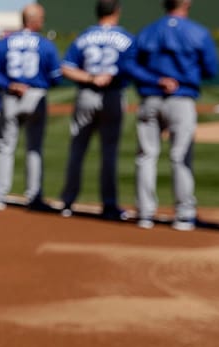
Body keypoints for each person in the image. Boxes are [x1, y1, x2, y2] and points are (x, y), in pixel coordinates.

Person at [132, 0, 218, 230]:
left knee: (146, 156)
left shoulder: (148, 30)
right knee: (180, 156)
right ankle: (183, 215)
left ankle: (145, 214)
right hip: (181, 99)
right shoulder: (197, 32)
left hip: (150, 98)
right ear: (187, 3)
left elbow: (131, 64)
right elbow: (211, 69)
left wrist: (156, 80)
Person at [58, 0, 137, 220]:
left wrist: (91, 77)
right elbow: (132, 68)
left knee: (77, 150)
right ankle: (109, 205)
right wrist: (109, 76)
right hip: (112, 95)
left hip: (86, 93)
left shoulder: (84, 36)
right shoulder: (127, 37)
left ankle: (67, 202)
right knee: (109, 153)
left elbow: (66, 67)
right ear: (117, 12)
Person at [0, 3, 62, 211]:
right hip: (35, 95)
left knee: (4, 147)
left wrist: (9, 84)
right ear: (34, 20)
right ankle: (34, 196)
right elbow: (56, 77)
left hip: (10, 95)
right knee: (34, 148)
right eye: (41, 18)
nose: (43, 22)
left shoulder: (5, 42)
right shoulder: (45, 44)